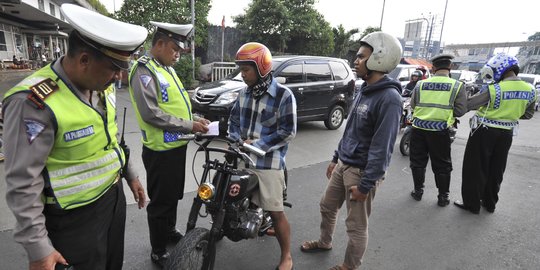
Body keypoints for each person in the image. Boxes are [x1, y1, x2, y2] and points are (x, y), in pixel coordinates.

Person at [2, 4, 147, 270]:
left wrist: (131, 175)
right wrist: (39, 250)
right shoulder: (33, 103)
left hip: (112, 202)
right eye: (115, 68)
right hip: (72, 221)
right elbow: (23, 183)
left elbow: (113, 140)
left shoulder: (101, 87)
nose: (120, 76)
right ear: (84, 60)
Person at [300, 32, 403, 270]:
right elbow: (350, 131)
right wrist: (335, 158)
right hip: (344, 164)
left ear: (378, 59)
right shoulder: (364, 89)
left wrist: (366, 184)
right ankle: (325, 242)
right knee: (327, 206)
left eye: (361, 57)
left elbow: (383, 147)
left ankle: (350, 266)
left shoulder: (390, 99)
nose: (355, 61)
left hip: (362, 172)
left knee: (356, 225)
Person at [128, 21, 210, 267]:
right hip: (159, 150)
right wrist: (189, 126)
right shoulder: (144, 71)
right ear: (160, 43)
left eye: (180, 50)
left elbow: (176, 106)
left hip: (176, 146)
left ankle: (169, 231)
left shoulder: (167, 69)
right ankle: (158, 249)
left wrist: (195, 119)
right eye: (175, 48)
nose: (178, 54)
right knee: (161, 202)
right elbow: (151, 113)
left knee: (172, 196)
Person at [228, 42, 296, 270]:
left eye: (246, 69)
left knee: (276, 212)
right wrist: (236, 138)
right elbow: (234, 120)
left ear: (261, 68)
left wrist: (257, 144)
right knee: (227, 198)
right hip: (242, 158)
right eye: (241, 69)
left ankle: (286, 256)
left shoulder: (284, 96)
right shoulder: (243, 94)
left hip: (268, 161)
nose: (242, 74)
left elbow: (288, 131)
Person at [454, 52, 536, 214]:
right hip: (506, 134)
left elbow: (468, 106)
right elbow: (528, 114)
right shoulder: (530, 90)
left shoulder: (495, 89)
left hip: (483, 132)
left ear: (500, 69)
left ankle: (472, 204)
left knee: (475, 168)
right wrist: (510, 113)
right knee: (497, 168)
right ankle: (490, 203)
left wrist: (461, 92)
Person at [408, 54, 467, 206]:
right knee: (442, 164)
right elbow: (460, 111)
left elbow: (414, 105)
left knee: (418, 162)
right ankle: (443, 197)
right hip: (440, 130)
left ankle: (418, 191)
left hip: (418, 128)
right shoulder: (457, 85)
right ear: (450, 67)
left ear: (433, 68)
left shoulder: (421, 84)